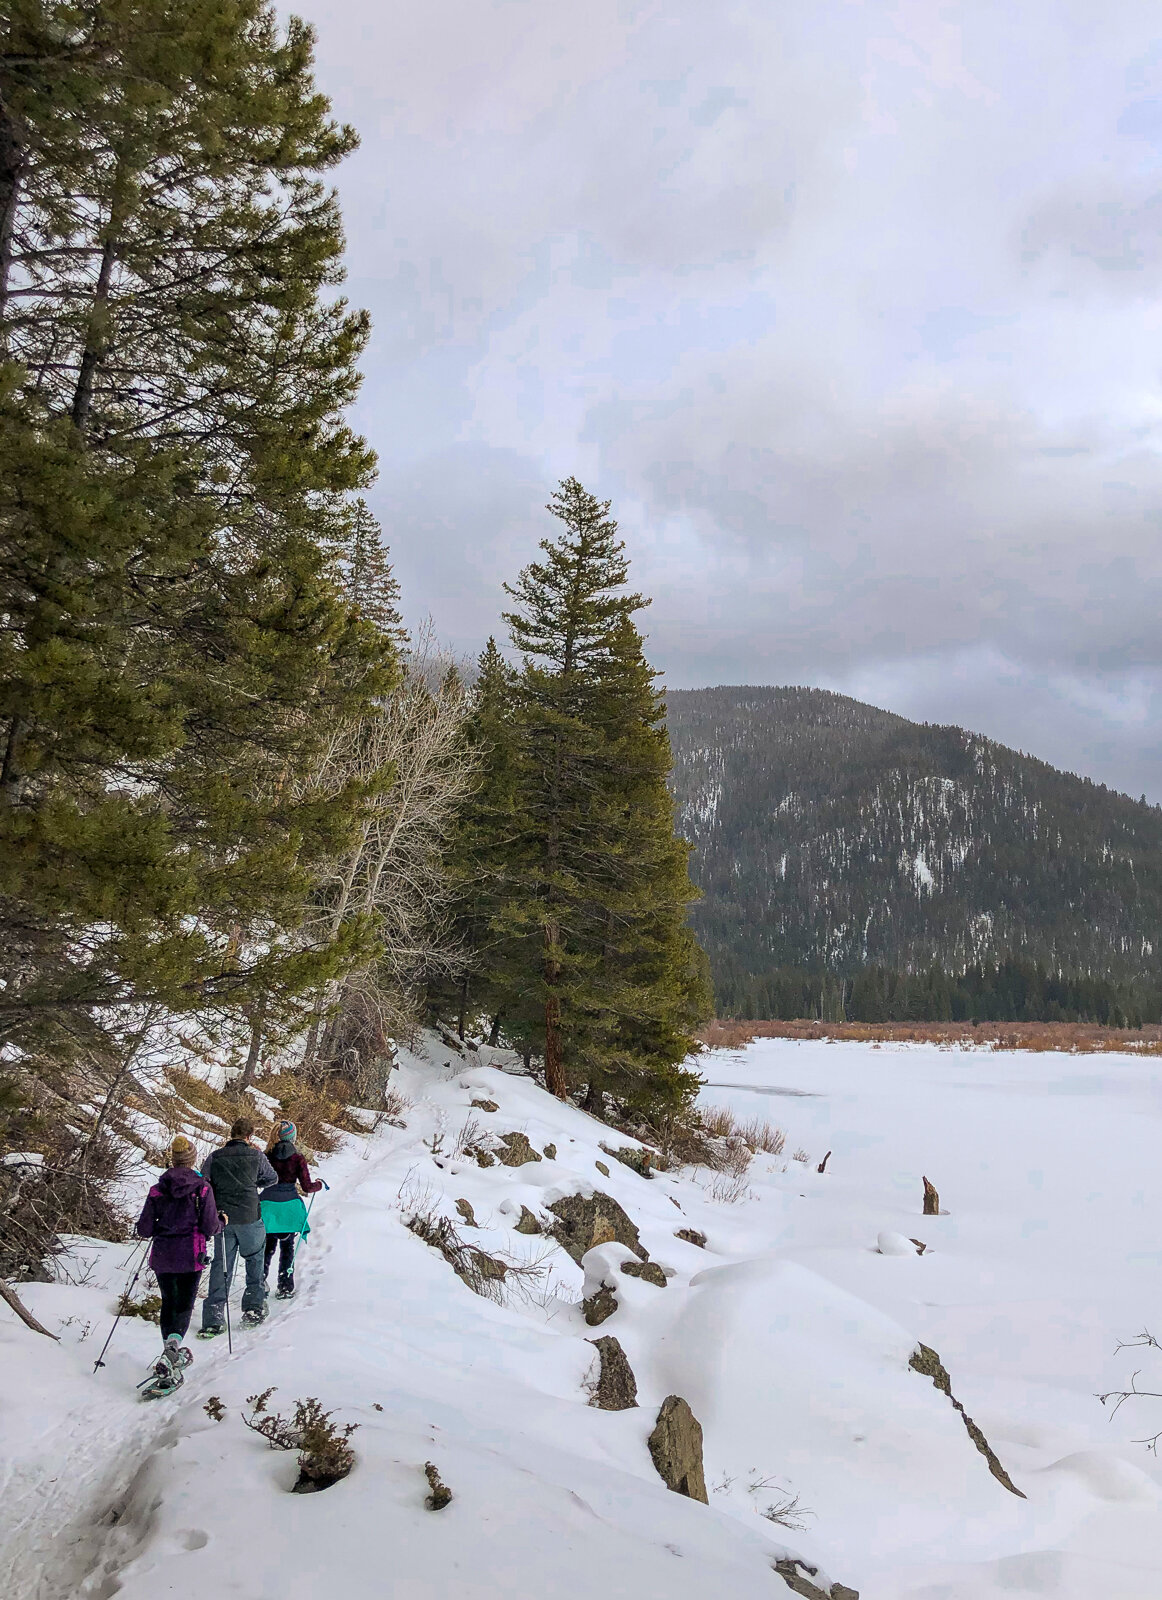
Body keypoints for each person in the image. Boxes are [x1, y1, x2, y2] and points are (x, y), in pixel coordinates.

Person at [136, 1135, 221, 1391]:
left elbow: (144, 1229)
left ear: (172, 1160)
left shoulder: (157, 1190)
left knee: (168, 1304)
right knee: (184, 1305)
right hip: (191, 1255)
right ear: (193, 1159)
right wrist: (222, 1222)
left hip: (163, 1255)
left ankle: (168, 1356)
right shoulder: (202, 1188)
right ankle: (172, 1353)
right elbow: (210, 1225)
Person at [198, 1115, 277, 1336]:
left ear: (231, 1134)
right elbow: (272, 1178)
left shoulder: (215, 1157)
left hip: (222, 1218)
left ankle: (213, 1316)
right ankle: (253, 1307)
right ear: (250, 1136)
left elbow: (204, 1182)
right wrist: (253, 1184)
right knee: (254, 1259)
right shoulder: (256, 1155)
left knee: (221, 1265)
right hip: (250, 1215)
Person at [260, 1120, 323, 1300]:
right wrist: (319, 1185)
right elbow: (307, 1186)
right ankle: (285, 1286)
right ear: (292, 1137)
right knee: (287, 1247)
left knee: (266, 1248)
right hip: (289, 1205)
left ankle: (260, 1283)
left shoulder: (266, 1155)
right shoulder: (297, 1158)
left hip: (267, 1205)